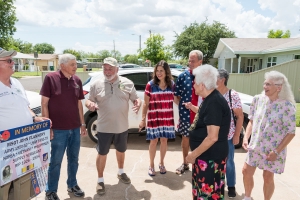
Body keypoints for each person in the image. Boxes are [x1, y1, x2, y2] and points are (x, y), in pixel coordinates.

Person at [85, 57, 141, 195]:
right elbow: (88, 101)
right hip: (104, 127)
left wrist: (138, 102)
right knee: (102, 153)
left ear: (117, 69)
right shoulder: (96, 85)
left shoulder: (127, 83)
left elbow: (136, 98)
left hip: (122, 126)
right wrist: (90, 104)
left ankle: (121, 172)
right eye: (105, 68)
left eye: (110, 68)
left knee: (121, 150)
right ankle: (100, 180)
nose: (107, 71)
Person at [0, 47, 49, 200]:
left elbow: (25, 106)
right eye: (8, 61)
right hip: (4, 148)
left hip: (24, 144)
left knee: (24, 179)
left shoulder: (16, 83)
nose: (12, 63)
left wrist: (34, 118)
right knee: (4, 184)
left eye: (12, 60)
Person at [242, 71, 296, 200]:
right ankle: (247, 197)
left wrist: (276, 152)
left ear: (279, 87)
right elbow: (252, 120)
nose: (265, 86)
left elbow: (291, 132)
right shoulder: (257, 100)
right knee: (246, 171)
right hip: (255, 146)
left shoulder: (287, 107)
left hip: (274, 150)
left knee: (267, 177)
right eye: (265, 83)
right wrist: (245, 137)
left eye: (269, 84)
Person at [40, 53, 87, 200]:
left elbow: (79, 103)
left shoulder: (77, 80)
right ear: (62, 66)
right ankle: (51, 190)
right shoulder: (50, 78)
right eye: (72, 64)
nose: (76, 67)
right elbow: (44, 104)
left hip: (74, 128)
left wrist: (83, 124)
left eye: (75, 64)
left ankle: (72, 184)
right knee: (55, 162)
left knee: (74, 159)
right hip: (58, 130)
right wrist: (48, 127)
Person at [186, 64, 231, 200]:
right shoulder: (210, 99)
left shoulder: (214, 103)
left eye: (195, 83)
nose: (193, 86)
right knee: (202, 195)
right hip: (206, 158)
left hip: (210, 159)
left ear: (202, 85)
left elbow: (212, 137)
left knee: (208, 196)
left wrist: (192, 155)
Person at [138, 60, 176, 176]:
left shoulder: (172, 85)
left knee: (164, 141)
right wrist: (143, 119)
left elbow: (176, 100)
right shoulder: (150, 85)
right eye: (157, 71)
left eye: (161, 71)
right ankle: (151, 165)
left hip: (167, 118)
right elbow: (146, 104)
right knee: (153, 141)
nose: (159, 73)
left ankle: (162, 163)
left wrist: (187, 103)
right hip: (154, 118)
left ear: (166, 72)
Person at [174, 50, 203, 175]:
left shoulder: (207, 76)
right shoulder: (182, 77)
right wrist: (184, 107)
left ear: (200, 62)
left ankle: (200, 164)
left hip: (203, 116)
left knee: (202, 141)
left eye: (193, 61)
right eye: (189, 60)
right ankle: (185, 163)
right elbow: (176, 96)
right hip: (186, 116)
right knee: (185, 140)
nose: (190, 63)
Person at [216, 69, 244, 198]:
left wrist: (237, 135)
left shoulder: (232, 95)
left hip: (227, 136)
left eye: (215, 78)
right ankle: (218, 185)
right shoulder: (212, 94)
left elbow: (240, 116)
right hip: (213, 136)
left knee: (229, 162)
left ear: (222, 80)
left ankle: (231, 185)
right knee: (216, 162)